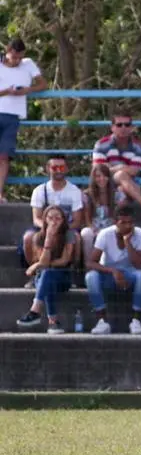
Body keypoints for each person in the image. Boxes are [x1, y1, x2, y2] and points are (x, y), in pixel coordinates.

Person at [84, 205, 141, 334]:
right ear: (115, 223)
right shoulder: (105, 234)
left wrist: (127, 243)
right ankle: (102, 321)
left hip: (131, 273)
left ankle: (136, 321)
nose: (127, 226)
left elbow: (140, 265)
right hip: (109, 274)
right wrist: (113, 271)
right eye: (123, 223)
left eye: (130, 222)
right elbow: (90, 263)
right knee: (90, 277)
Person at [0, 37, 48, 202]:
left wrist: (28, 90)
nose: (17, 61)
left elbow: (43, 84)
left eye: (20, 57)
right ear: (8, 52)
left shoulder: (28, 64)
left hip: (13, 115)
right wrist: (6, 91)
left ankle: (0, 192)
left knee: (4, 156)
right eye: (14, 57)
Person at [16, 205, 76, 334]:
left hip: (63, 276)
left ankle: (35, 312)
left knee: (48, 274)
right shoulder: (38, 237)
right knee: (47, 276)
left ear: (63, 220)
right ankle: (53, 323)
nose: (54, 222)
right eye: (50, 218)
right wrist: (48, 239)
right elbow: (43, 262)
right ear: (45, 219)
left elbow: (64, 260)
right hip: (44, 277)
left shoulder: (69, 235)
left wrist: (37, 266)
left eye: (58, 218)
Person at [23, 155, 84, 273]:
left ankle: (74, 271)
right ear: (48, 168)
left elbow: (77, 220)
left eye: (61, 167)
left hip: (66, 228)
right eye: (55, 167)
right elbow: (36, 218)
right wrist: (49, 229)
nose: (58, 170)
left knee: (76, 237)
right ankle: (35, 272)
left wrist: (60, 228)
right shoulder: (39, 190)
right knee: (28, 237)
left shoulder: (74, 191)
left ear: (66, 169)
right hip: (44, 228)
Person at [92, 111, 141, 217]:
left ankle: (117, 222)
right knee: (121, 175)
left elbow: (134, 171)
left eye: (127, 125)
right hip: (105, 181)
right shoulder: (101, 144)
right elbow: (99, 169)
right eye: (119, 125)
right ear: (112, 128)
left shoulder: (138, 146)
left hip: (130, 183)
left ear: (131, 127)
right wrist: (121, 167)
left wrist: (114, 168)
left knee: (122, 190)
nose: (123, 128)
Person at [81, 163, 117, 263]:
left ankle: (107, 265)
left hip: (110, 226)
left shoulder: (115, 194)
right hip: (94, 226)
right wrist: (93, 229)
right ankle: (89, 264)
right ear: (94, 178)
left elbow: (117, 216)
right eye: (98, 176)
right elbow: (87, 218)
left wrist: (106, 231)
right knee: (86, 233)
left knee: (111, 234)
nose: (102, 179)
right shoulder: (87, 194)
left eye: (105, 175)